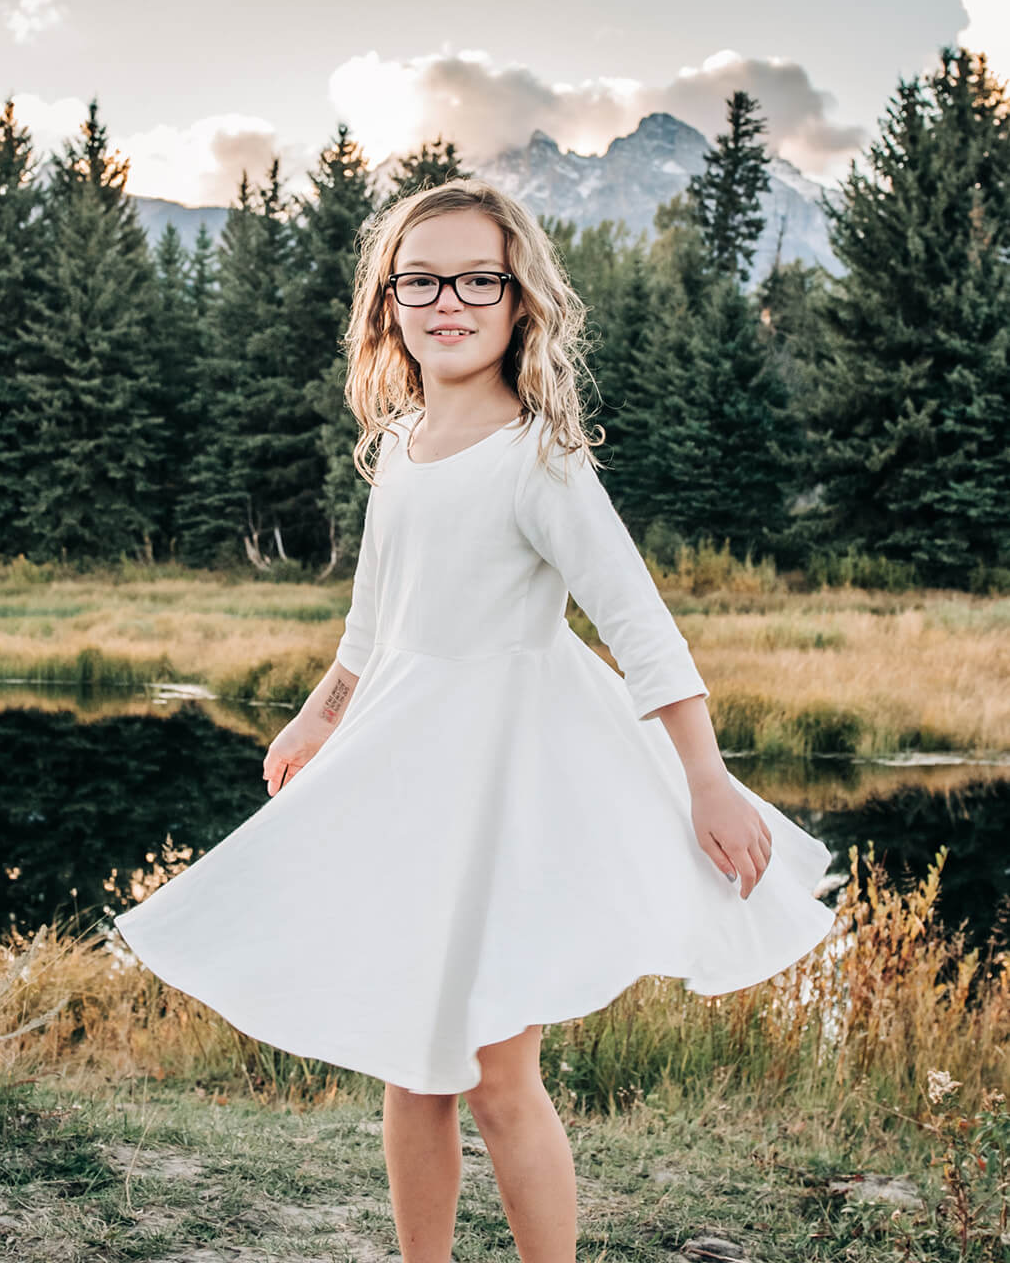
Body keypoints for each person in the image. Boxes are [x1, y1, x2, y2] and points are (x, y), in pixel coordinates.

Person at [114, 177, 835, 1263]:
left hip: (508, 790)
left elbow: (638, 624)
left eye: (475, 279)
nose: (446, 300)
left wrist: (705, 777)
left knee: (498, 1076)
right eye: (420, 279)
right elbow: (371, 621)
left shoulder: (536, 459)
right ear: (387, 303)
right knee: (415, 1060)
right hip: (407, 779)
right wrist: (319, 716)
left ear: (517, 299)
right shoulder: (400, 447)